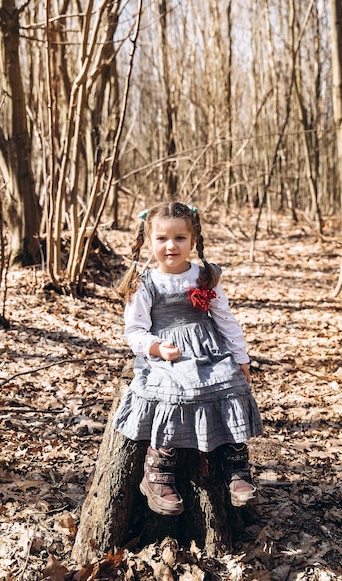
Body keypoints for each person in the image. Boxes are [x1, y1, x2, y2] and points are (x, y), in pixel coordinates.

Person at [113, 201, 263, 516]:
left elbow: (225, 319)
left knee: (230, 385)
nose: (171, 246)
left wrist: (240, 357)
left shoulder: (205, 275)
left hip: (208, 347)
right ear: (148, 241)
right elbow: (135, 331)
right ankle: (158, 471)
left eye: (180, 238)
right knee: (175, 392)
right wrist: (156, 347)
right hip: (168, 350)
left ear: (193, 241)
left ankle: (234, 467)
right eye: (162, 239)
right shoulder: (145, 282)